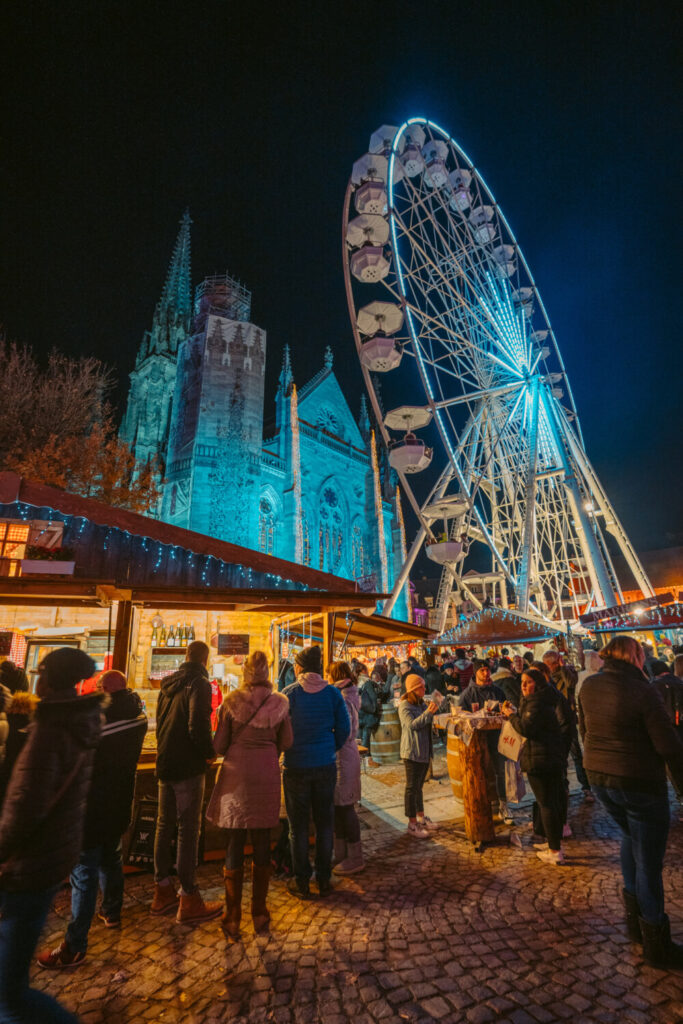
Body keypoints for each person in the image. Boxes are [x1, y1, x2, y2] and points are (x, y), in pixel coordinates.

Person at [0, 647, 101, 1022]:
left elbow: (25, 804)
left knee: (8, 996)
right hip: (51, 853)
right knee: (8, 990)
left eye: (40, 671)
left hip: (30, 860)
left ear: (49, 678)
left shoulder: (52, 728)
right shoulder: (80, 720)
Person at [578, 636, 683, 968]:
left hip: (600, 776)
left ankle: (634, 922)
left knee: (630, 837)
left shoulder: (589, 686)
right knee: (649, 862)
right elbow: (667, 745)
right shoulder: (643, 690)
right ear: (636, 656)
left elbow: (585, 729)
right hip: (638, 780)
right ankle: (657, 943)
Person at [37, 669, 148, 967]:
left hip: (92, 807)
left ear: (103, 689)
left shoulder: (97, 724)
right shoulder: (138, 716)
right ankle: (111, 911)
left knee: (83, 872)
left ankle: (75, 945)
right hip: (119, 802)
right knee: (111, 857)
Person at [207, 650, 292, 938]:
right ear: (267, 672)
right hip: (265, 775)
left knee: (234, 841)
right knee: (261, 842)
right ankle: (259, 912)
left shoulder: (231, 703)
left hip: (236, 776)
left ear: (245, 673)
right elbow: (287, 741)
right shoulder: (280, 703)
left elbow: (219, 745)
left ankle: (232, 916)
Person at [152, 640, 221, 924]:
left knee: (163, 825)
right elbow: (198, 725)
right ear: (205, 659)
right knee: (188, 830)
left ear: (185, 656)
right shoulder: (200, 683)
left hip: (165, 761)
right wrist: (208, 754)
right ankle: (189, 898)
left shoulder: (168, 683)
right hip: (187, 766)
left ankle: (162, 892)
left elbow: (159, 720)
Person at [283, 645, 350, 898]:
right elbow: (344, 729)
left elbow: (280, 731)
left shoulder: (289, 694)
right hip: (324, 766)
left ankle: (301, 881)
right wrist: (328, 748)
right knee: (324, 824)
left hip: (296, 767)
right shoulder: (333, 694)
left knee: (297, 827)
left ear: (299, 667)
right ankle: (323, 879)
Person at [503, 668, 570, 865]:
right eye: (522, 681)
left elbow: (526, 728)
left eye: (528, 682)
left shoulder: (536, 702)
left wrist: (511, 716)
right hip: (551, 756)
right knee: (553, 802)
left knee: (547, 804)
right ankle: (554, 842)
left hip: (541, 759)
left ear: (538, 683)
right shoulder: (544, 699)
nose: (523, 685)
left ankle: (554, 851)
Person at [459, 664, 511, 821]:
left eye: (488, 669)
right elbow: (460, 716)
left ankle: (504, 805)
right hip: (476, 742)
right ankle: (480, 807)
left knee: (500, 771)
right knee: (478, 773)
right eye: (482, 670)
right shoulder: (467, 694)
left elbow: (507, 708)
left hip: (497, 738)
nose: (487, 672)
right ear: (476, 673)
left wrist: (506, 711)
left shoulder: (497, 691)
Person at [543, 650, 593, 803]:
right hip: (553, 719)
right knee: (559, 756)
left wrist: (563, 667)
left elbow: (571, 684)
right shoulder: (546, 677)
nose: (547, 667)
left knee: (576, 753)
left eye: (548, 664)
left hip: (568, 717)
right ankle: (563, 787)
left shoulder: (568, 672)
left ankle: (586, 787)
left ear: (554, 663)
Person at [328, 661, 363, 875]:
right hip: (341, 756)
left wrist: (328, 736)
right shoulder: (346, 693)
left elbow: (345, 730)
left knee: (346, 807)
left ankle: (355, 857)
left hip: (344, 756)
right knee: (338, 807)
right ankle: (341, 853)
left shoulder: (342, 696)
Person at [398, 675, 439, 837]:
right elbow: (411, 725)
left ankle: (421, 818)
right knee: (411, 788)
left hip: (423, 750)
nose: (424, 690)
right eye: (421, 687)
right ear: (413, 689)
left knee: (419, 787)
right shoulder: (404, 705)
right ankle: (412, 823)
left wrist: (432, 711)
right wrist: (428, 713)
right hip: (412, 752)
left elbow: (425, 722)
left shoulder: (421, 703)